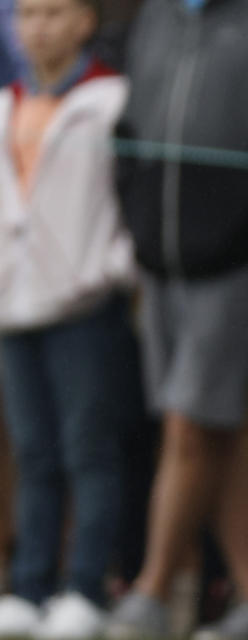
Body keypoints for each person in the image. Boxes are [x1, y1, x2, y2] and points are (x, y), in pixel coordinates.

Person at [102, 1, 248, 638]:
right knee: (211, 426)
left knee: (191, 424)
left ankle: (150, 592)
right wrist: (138, 220)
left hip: (239, 256)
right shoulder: (156, 16)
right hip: (162, 258)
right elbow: (131, 126)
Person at [0, 0, 144, 637]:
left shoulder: (112, 98)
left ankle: (86, 586)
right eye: (28, 14)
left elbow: (129, 198)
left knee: (91, 451)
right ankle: (29, 587)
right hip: (14, 307)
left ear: (86, 21)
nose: (39, 27)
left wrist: (107, 270)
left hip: (84, 307)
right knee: (35, 453)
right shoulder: (5, 103)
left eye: (55, 13)